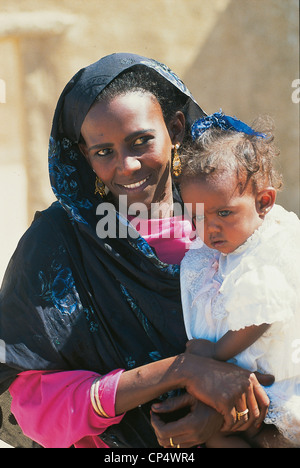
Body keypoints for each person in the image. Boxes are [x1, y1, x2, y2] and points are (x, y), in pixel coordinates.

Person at [0, 54, 271, 449]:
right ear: (84, 154)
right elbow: (36, 409)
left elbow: (279, 335)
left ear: (175, 128)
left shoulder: (230, 218)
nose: (126, 166)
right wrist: (181, 372)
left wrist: (222, 414)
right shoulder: (57, 245)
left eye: (141, 141)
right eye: (103, 151)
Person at [177, 111, 300, 447]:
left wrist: (212, 354)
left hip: (279, 387)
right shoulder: (227, 250)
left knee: (264, 437)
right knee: (215, 432)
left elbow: (259, 318)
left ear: (264, 202)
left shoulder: (264, 255)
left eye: (224, 213)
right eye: (198, 217)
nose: (210, 227)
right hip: (245, 386)